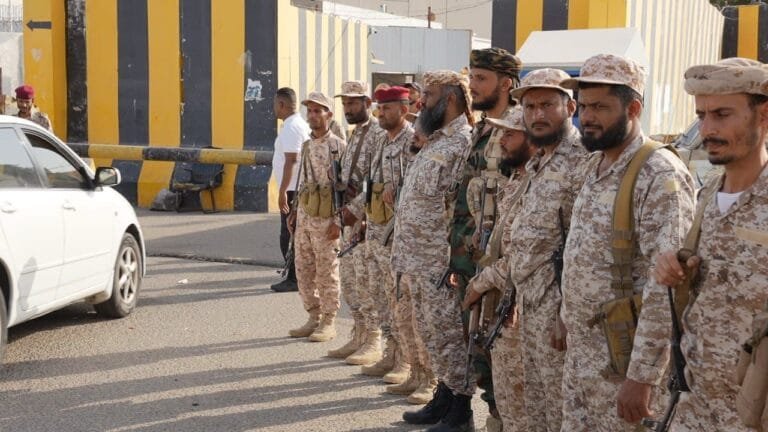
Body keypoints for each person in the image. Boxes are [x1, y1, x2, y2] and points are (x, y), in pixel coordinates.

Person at [558, 54, 695, 431]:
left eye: (600, 107)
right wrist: (567, 318)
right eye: (583, 106)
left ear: (633, 108)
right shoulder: (596, 164)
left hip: (624, 364)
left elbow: (666, 287)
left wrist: (642, 377)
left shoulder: (658, 175)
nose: (586, 117)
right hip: (585, 358)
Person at [653, 57, 768, 432]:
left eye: (722, 114)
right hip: (696, 403)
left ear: (763, 116)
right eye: (702, 115)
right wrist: (673, 266)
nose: (707, 129)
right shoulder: (708, 195)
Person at [493, 68, 587, 432]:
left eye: (548, 104)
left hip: (559, 315)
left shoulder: (582, 160)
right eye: (530, 106)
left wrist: (565, 314)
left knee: (562, 411)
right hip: (529, 306)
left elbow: (581, 250)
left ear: (570, 107)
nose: (537, 115)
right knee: (536, 409)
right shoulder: (539, 161)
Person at [394, 70, 475, 432]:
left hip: (440, 260)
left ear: (451, 99)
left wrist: (454, 259)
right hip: (418, 257)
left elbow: (461, 208)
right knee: (431, 331)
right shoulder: (436, 141)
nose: (421, 101)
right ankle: (444, 395)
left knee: (448, 334)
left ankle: (461, 410)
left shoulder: (463, 143)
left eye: (428, 95)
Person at [450, 47, 522, 431]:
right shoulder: (482, 128)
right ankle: (493, 415)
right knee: (479, 348)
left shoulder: (518, 129)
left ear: (506, 83)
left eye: (481, 79)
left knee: (502, 352)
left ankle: (502, 419)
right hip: (471, 257)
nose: (473, 86)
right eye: (472, 78)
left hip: (500, 264)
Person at [462, 105, 535, 432]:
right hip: (503, 304)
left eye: (510, 133)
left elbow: (528, 254)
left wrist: (482, 282)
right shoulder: (518, 178)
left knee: (521, 410)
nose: (501, 141)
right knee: (505, 401)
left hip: (522, 308)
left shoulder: (540, 181)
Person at [345, 86, 418, 389]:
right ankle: (390, 351)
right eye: (380, 108)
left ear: (403, 109)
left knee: (400, 300)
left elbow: (416, 186)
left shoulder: (412, 141)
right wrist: (356, 212)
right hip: (375, 230)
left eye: (387, 108)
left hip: (397, 234)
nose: (381, 113)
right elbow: (371, 184)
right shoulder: (385, 142)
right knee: (380, 294)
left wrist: (397, 192)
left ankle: (407, 360)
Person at [326, 81, 385, 364]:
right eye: (345, 103)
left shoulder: (377, 133)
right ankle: (359, 334)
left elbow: (374, 181)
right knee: (350, 281)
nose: (348, 108)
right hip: (348, 215)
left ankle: (373, 340)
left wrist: (357, 214)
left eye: (353, 103)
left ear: (367, 103)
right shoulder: (354, 133)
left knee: (366, 282)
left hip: (364, 219)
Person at [287, 91, 345, 343]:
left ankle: (329, 320)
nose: (312, 115)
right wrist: (294, 211)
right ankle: (313, 316)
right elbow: (304, 182)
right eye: (309, 111)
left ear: (329, 115)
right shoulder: (307, 145)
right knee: (304, 269)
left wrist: (338, 221)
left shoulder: (338, 147)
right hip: (306, 216)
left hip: (327, 220)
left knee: (327, 271)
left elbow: (346, 188)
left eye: (317, 111)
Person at [271, 87, 311, 293]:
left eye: (275, 104)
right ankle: (295, 274)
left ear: (281, 104)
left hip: (293, 189)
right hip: (295, 188)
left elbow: (291, 161)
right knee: (294, 232)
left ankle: (294, 277)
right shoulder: (298, 125)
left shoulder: (291, 128)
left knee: (288, 234)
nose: (274, 109)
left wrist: (282, 192)